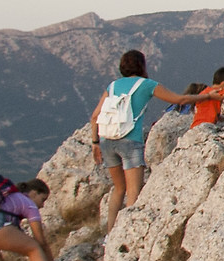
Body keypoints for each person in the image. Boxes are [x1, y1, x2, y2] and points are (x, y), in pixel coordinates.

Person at [89, 50, 216, 214]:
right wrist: (207, 97)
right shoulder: (147, 84)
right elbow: (180, 100)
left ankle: (110, 230)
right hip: (129, 141)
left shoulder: (112, 86)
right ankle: (126, 227)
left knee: (119, 189)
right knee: (133, 191)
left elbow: (95, 116)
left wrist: (95, 143)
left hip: (106, 141)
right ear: (141, 66)